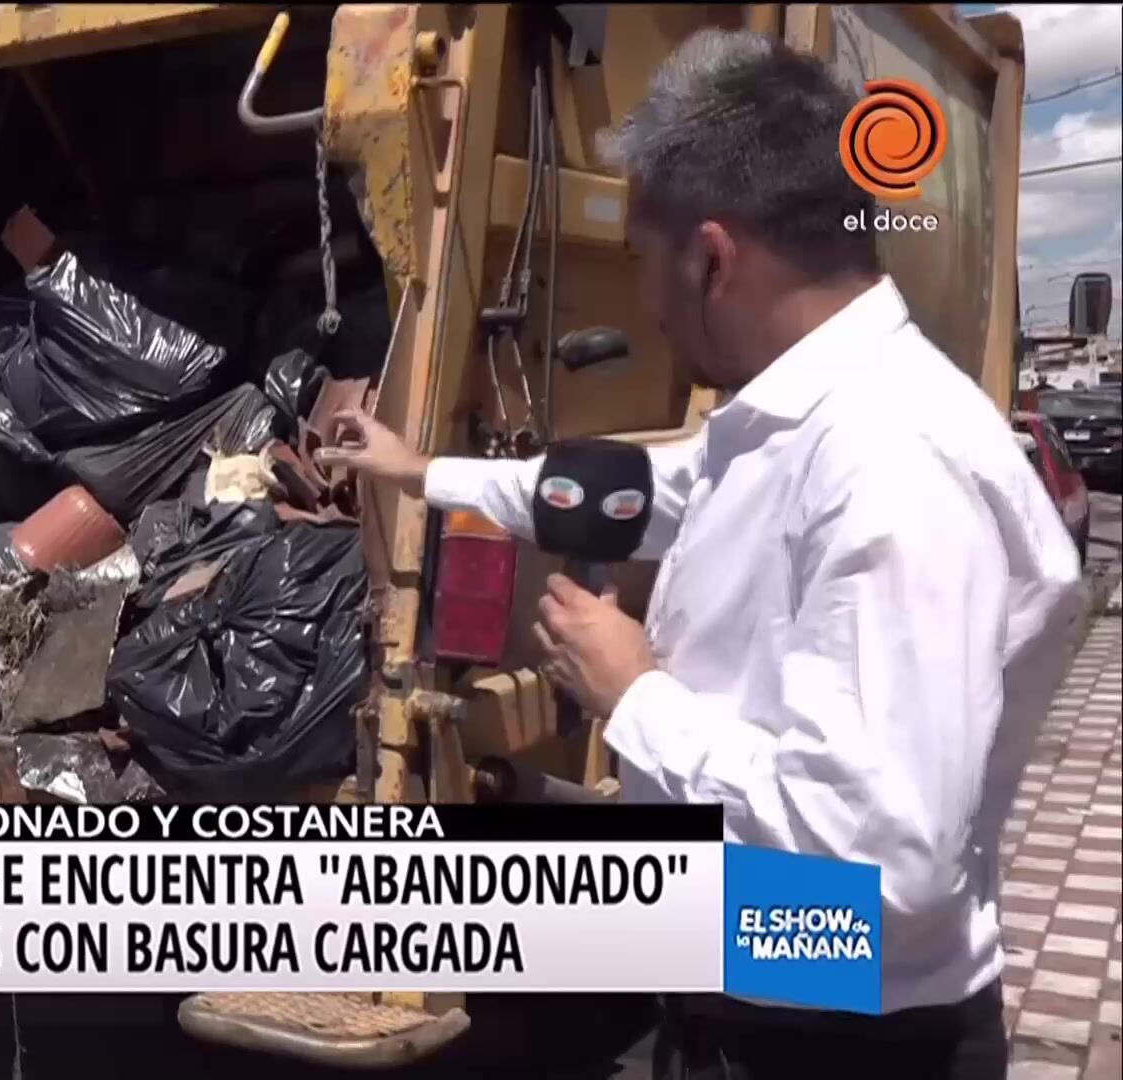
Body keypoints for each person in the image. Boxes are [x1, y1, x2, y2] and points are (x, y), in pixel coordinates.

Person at [315, 29, 1084, 1080]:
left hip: (838, 1040)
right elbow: (638, 494)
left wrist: (634, 695)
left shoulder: (893, 466)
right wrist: (421, 473)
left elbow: (879, 875)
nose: (647, 304)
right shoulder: (797, 427)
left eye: (644, 264)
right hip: (759, 999)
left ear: (715, 256)